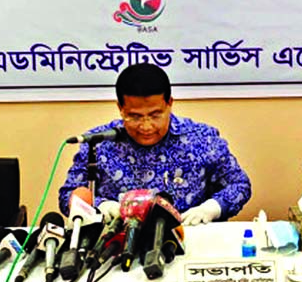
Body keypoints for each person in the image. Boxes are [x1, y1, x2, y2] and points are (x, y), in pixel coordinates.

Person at [59, 63, 252, 225]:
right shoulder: (99, 143)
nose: (146, 126)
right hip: (116, 244)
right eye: (134, 116)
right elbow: (68, 196)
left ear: (169, 103)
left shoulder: (202, 139)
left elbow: (239, 185)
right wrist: (101, 206)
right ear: (120, 108)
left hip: (188, 239)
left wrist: (211, 209)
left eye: (155, 115)